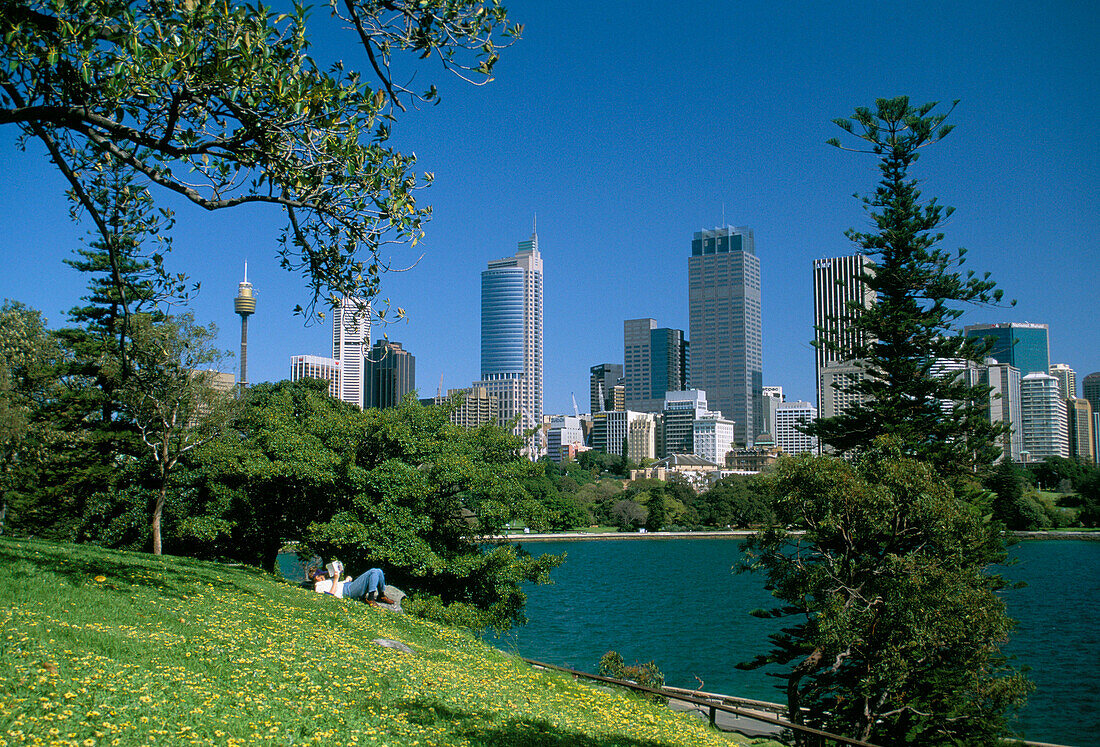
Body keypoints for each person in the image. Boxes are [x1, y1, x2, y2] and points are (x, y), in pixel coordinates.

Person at [310, 565, 394, 606]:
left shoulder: (325, 582)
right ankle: (371, 598)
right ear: (317, 577)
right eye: (322, 575)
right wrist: (336, 579)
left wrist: (346, 580)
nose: (324, 576)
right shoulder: (319, 585)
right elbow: (329, 596)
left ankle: (381, 595)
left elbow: (338, 585)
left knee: (378, 571)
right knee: (373, 571)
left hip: (348, 586)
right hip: (347, 591)